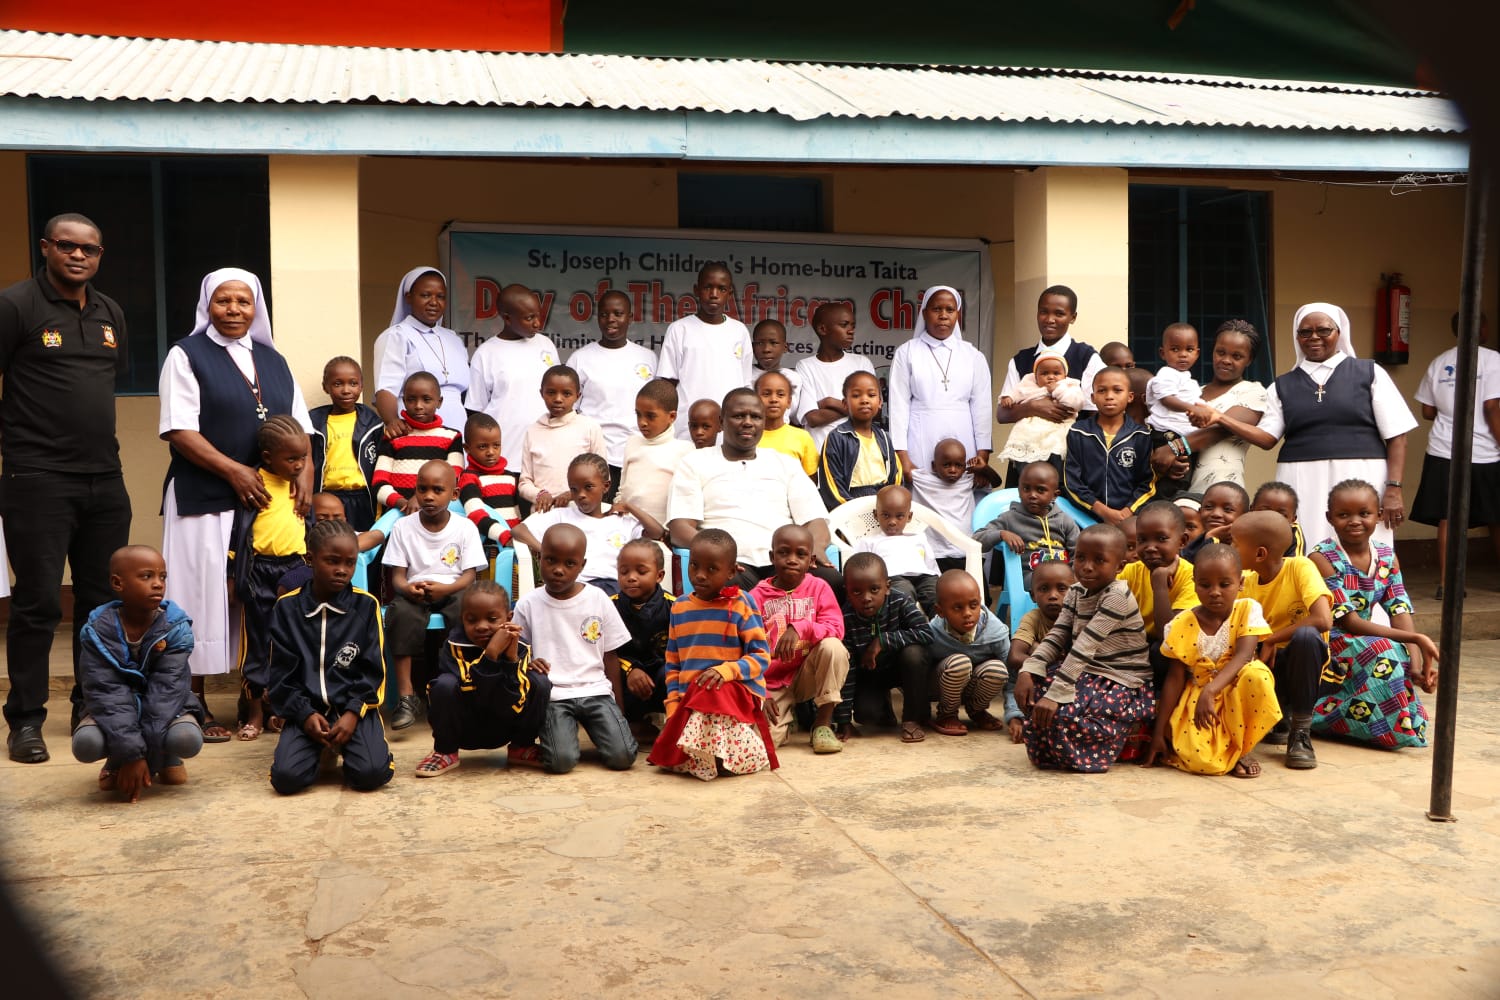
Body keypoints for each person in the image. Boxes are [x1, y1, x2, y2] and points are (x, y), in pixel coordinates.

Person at [0, 212, 133, 763]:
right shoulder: (16, 306)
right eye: (67, 246)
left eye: (90, 249)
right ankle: (26, 721)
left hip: (105, 477)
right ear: (46, 247)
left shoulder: (110, 314)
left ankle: (91, 704)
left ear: (99, 256)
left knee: (102, 600)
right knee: (36, 604)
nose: (79, 255)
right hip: (36, 480)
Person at [158, 267, 312, 744]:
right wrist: (234, 471)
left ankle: (256, 697)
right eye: (223, 301)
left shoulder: (274, 359)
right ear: (208, 304)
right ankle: (192, 700)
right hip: (207, 498)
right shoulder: (187, 355)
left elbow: (302, 427)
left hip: (266, 504)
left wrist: (305, 474)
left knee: (261, 604)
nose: (233, 310)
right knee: (200, 597)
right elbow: (179, 430)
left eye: (243, 302)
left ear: (256, 307)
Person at [1206, 303, 1417, 549]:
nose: (1314, 337)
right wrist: (1221, 418)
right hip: (1301, 479)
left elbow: (1397, 437)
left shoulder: (1369, 373)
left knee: (1366, 546)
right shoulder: (1282, 385)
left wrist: (1394, 488)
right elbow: (1267, 438)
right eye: (1305, 332)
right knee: (1306, 545)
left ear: (1339, 333)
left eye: (1324, 330)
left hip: (1364, 475)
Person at [1308, 479, 1439, 748]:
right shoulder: (1322, 558)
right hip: (1329, 639)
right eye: (1344, 515)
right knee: (1386, 650)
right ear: (1329, 518)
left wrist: (1415, 666)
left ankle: (1377, 727)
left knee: (1396, 650)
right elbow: (1349, 621)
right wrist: (1417, 639)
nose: (1354, 521)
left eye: (1364, 513)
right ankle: (1331, 720)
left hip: (1362, 638)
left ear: (1379, 515)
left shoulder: (1387, 557)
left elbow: (1399, 610)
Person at [1014, 523, 1154, 772]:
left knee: (1066, 713)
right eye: (1080, 558)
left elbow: (1085, 645)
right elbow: (1058, 634)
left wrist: (1056, 694)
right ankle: (1050, 755)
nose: (1087, 567)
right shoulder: (1076, 591)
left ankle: (1096, 753)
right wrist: (1029, 669)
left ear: (1119, 566)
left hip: (1120, 678)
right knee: (1035, 693)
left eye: (1099, 560)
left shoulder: (1116, 597)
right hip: (1088, 671)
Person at [267, 519, 393, 795]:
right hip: (307, 711)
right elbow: (280, 675)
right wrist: (303, 713)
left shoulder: (365, 605)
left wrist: (352, 712)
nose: (342, 570)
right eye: (332, 561)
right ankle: (319, 749)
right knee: (286, 780)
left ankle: (352, 745)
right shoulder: (287, 608)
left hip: (352, 710)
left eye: (349, 563)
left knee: (371, 774)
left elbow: (374, 671)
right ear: (309, 559)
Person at [667, 388, 835, 592]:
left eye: (755, 417)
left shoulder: (785, 463)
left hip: (785, 562)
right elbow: (679, 528)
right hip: (733, 565)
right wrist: (719, 554)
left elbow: (815, 520)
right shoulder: (695, 462)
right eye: (739, 416)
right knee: (726, 586)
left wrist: (814, 549)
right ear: (721, 421)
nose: (748, 422)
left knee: (833, 581)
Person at [72, 545, 201, 801]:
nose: (157, 584)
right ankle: (117, 758)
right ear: (118, 583)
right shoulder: (96, 632)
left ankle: (165, 757)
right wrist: (131, 755)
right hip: (114, 708)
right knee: (85, 744)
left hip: (166, 707)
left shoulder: (175, 628)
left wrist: (144, 760)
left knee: (187, 739)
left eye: (162, 577)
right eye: (146, 576)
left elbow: (165, 694)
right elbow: (107, 694)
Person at [1142, 543, 1281, 778]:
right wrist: (1158, 732)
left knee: (1257, 674)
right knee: (1203, 762)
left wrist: (1212, 689)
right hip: (1198, 699)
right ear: (1194, 585)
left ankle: (1242, 751)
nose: (1215, 591)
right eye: (1205, 585)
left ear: (1241, 584)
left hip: (1236, 689)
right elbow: (1175, 679)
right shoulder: (1182, 623)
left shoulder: (1247, 609)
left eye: (1224, 584)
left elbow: (1244, 655)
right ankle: (1225, 754)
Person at [649, 528, 777, 779]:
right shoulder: (680, 607)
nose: (700, 575)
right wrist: (674, 704)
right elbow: (673, 663)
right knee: (672, 756)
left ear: (731, 572)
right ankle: (709, 756)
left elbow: (761, 656)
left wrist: (726, 670)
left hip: (734, 692)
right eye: (694, 565)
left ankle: (726, 755)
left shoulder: (742, 603)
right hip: (691, 698)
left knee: (712, 688)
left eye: (711, 569)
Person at [515, 523, 637, 774]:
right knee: (561, 762)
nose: (558, 570)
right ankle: (561, 738)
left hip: (596, 690)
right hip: (554, 695)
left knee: (623, 757)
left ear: (582, 565)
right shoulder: (528, 604)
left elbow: (610, 655)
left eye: (569, 564)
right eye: (551, 560)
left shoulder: (598, 599)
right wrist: (527, 664)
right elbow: (516, 653)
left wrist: (619, 711)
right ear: (540, 558)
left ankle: (603, 730)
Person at [382, 461, 486, 730]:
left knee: (466, 610)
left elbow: (469, 577)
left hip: (454, 589)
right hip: (415, 591)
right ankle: (406, 696)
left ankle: (465, 688)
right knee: (400, 613)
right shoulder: (404, 527)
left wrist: (445, 589)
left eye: (437, 490)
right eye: (422, 489)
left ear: (454, 494)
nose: (428, 496)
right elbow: (398, 577)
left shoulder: (465, 528)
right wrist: (408, 589)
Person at [414, 580, 552, 777]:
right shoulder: (454, 646)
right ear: (462, 619)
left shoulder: (520, 646)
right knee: (444, 684)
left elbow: (516, 703)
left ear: (509, 617)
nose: (481, 626)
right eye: (471, 620)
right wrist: (491, 655)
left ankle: (522, 747)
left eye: (492, 618)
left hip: (504, 723)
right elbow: (472, 691)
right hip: (466, 728)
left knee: (539, 681)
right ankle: (445, 751)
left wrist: (512, 660)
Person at [1229, 511, 1333, 770]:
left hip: (1303, 668)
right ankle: (1275, 718)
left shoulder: (1300, 567)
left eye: (1234, 543)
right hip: (1265, 668)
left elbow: (1322, 619)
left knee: (1307, 637)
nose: (1229, 549)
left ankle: (1300, 734)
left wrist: (1272, 639)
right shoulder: (1245, 581)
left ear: (1260, 553)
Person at [229, 416, 311, 741]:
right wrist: (233, 576)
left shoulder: (300, 485)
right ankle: (254, 713)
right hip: (258, 571)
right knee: (257, 646)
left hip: (295, 570)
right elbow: (237, 534)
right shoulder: (254, 483)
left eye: (303, 457)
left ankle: (281, 707)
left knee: (289, 643)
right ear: (268, 458)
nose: (299, 464)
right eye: (292, 459)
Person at [1412, 311, 1500, 598]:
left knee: (1448, 518)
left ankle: (1447, 583)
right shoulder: (1492, 360)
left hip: (1443, 449)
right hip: (1485, 451)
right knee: (1496, 516)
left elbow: (1427, 410)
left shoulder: (1439, 362)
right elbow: (1491, 407)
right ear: (1483, 327)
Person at [750, 524, 849, 753]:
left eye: (800, 554)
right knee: (763, 745)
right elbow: (746, 648)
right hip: (772, 682)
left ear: (811, 560)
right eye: (784, 553)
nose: (792, 560)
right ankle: (788, 719)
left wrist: (801, 627)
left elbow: (836, 628)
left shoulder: (819, 588)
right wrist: (760, 693)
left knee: (833, 647)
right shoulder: (756, 597)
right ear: (772, 557)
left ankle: (822, 724)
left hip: (809, 673)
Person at [996, 285, 1105, 487]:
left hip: (1069, 461)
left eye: (1059, 314)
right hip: (1026, 459)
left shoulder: (1087, 357)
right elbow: (1002, 415)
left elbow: (1094, 414)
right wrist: (1031, 407)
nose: (1050, 319)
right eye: (1043, 312)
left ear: (1073, 317)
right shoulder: (1021, 360)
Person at [512, 453, 664, 594]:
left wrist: (630, 507)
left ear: (606, 486)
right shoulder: (561, 516)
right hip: (578, 587)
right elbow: (519, 530)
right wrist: (545, 550)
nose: (581, 495)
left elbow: (657, 533)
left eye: (588, 487)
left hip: (617, 588)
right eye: (574, 489)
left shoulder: (621, 520)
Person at [889, 285, 991, 479]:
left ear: (957, 315)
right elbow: (898, 407)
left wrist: (983, 455)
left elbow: (982, 409)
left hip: (965, 441)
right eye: (937, 309)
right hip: (920, 441)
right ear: (925, 313)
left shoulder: (973, 356)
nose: (943, 315)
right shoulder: (907, 352)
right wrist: (903, 457)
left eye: (950, 310)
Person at [1156, 320, 1269, 495]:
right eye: (1220, 352)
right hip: (1182, 489)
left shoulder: (1253, 391)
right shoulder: (1193, 393)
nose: (1226, 360)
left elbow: (1218, 430)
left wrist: (1173, 448)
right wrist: (1174, 462)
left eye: (1237, 356)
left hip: (1222, 490)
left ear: (1249, 360)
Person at [838, 552, 935, 744]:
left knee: (914, 653)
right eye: (857, 592)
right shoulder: (845, 617)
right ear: (847, 592)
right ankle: (883, 708)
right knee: (867, 716)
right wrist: (843, 720)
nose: (866, 598)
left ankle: (912, 719)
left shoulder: (900, 602)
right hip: (870, 673)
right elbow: (847, 669)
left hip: (903, 668)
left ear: (887, 587)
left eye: (874, 589)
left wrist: (883, 641)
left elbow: (926, 633)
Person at [571, 289, 657, 495]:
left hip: (638, 456)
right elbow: (569, 412)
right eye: (604, 314)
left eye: (618, 314)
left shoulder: (648, 358)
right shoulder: (580, 359)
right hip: (594, 459)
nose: (611, 319)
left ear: (630, 318)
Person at [466, 284, 561, 469]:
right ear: (508, 318)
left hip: (545, 456)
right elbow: (475, 412)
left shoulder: (546, 345)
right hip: (505, 458)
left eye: (538, 316)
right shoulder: (486, 353)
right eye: (529, 318)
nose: (537, 324)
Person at [657, 262, 753, 440]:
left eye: (721, 289)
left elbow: (744, 384)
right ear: (696, 290)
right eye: (708, 287)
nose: (714, 294)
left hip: (729, 429)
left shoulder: (739, 331)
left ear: (730, 293)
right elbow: (667, 384)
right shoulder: (680, 329)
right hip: (689, 429)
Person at [373, 267, 469, 434]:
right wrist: (393, 421)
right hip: (415, 427)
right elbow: (385, 388)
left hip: (457, 427)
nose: (434, 302)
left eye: (440, 297)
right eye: (425, 295)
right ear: (409, 297)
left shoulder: (453, 338)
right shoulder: (397, 336)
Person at [1118, 500, 1197, 694]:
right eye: (1142, 540)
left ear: (1183, 541)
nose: (1150, 547)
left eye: (1161, 539)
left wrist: (1159, 585)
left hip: (1169, 648)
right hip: (1134, 643)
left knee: (1160, 652)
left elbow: (1170, 636)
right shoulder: (1131, 571)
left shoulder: (1192, 577)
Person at [1063, 367, 1157, 525]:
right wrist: (1101, 510)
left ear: (1130, 396)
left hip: (1127, 519)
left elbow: (1147, 483)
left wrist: (1127, 512)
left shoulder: (1141, 436)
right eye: (1101, 391)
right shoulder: (1078, 432)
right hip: (1084, 518)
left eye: (1117, 390)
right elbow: (1072, 482)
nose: (1109, 396)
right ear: (1092, 397)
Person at [926, 570, 1011, 735]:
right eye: (957, 608)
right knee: (959, 663)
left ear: (980, 602)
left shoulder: (996, 632)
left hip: (973, 687)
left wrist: (1015, 714)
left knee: (998, 669)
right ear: (940, 611)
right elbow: (919, 669)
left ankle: (976, 710)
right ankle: (947, 714)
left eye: (974, 605)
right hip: (942, 687)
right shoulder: (932, 633)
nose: (967, 614)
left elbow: (1013, 675)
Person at [973, 460, 1078, 594]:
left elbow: (1078, 553)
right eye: (1026, 489)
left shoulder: (1065, 521)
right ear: (1019, 490)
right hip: (1030, 579)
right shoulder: (1010, 518)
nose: (1032, 495)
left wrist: (1074, 576)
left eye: (1040, 490)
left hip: (1064, 579)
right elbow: (976, 539)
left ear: (1055, 495)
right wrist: (1001, 534)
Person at [371, 371, 464, 514]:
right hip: (398, 511)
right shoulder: (393, 436)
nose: (418, 406)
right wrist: (402, 503)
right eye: (411, 399)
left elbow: (454, 478)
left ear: (439, 402)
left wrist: (419, 499)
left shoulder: (452, 437)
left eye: (426, 399)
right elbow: (379, 482)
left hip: (438, 514)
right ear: (403, 401)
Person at [517, 365, 607, 512]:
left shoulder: (589, 427)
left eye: (566, 394)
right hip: (543, 512)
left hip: (580, 511)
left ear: (578, 396)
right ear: (542, 393)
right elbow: (524, 482)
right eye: (551, 393)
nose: (558, 399)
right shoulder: (533, 431)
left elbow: (602, 476)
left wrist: (573, 494)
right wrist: (539, 494)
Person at [1005, 560, 1076, 743]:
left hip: (1069, 679)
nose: (1053, 596)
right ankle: (1017, 718)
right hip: (1041, 678)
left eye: (1062, 588)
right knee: (1019, 678)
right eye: (1044, 589)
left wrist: (1037, 650)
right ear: (1033, 595)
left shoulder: (1081, 618)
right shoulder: (1033, 618)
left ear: (1076, 591)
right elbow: (1014, 656)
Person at [613, 540, 676, 742]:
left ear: (659, 575)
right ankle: (631, 722)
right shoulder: (609, 606)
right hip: (626, 674)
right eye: (624, 572)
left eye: (641, 572)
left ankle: (675, 722)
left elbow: (682, 651)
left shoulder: (674, 607)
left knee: (673, 674)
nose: (631, 578)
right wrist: (631, 669)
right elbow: (607, 653)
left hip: (661, 674)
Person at [309, 356, 381, 531]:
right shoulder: (313, 422)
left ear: (362, 386)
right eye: (338, 384)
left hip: (362, 498)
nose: (346, 390)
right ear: (325, 387)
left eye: (353, 383)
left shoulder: (372, 422)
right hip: (327, 497)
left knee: (362, 547)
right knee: (327, 543)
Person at [794, 302, 875, 450]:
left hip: (858, 451)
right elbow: (813, 418)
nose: (851, 330)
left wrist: (830, 402)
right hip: (820, 453)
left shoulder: (862, 363)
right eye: (844, 325)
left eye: (853, 325)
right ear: (822, 329)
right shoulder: (805, 366)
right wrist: (854, 409)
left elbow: (873, 410)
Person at [910, 437, 996, 573]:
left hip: (966, 550)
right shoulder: (922, 480)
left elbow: (996, 482)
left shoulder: (968, 479)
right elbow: (905, 470)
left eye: (959, 465)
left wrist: (984, 467)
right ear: (934, 465)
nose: (953, 470)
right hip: (936, 553)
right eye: (946, 465)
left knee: (977, 591)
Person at [996, 350, 1088, 475]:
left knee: (1057, 464)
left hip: (1057, 431)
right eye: (1044, 373)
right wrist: (1008, 398)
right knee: (1028, 466)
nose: (1051, 377)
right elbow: (1017, 392)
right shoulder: (1029, 384)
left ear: (1065, 376)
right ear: (1036, 376)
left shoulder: (1069, 386)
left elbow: (1077, 403)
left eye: (1056, 373)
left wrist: (1058, 390)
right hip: (1030, 432)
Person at [617, 379, 694, 528]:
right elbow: (623, 489)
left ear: (672, 417)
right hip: (625, 527)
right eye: (638, 415)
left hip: (660, 531)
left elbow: (685, 501)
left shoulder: (685, 450)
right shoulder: (632, 442)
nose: (642, 422)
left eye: (650, 416)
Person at [853, 484, 940, 615]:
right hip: (892, 579)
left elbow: (931, 565)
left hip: (923, 577)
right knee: (903, 592)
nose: (892, 522)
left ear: (909, 517)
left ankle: (940, 628)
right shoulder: (869, 542)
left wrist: (939, 579)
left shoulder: (919, 538)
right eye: (886, 515)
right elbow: (859, 568)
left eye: (899, 516)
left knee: (935, 593)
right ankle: (909, 629)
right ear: (876, 515)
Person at [818, 370, 900, 508]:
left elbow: (895, 477)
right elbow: (832, 485)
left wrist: (889, 505)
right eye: (856, 395)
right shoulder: (837, 438)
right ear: (845, 403)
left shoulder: (884, 437)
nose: (864, 400)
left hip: (884, 506)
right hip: (850, 505)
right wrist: (852, 510)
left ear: (880, 402)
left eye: (871, 395)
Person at [457, 412, 520, 551]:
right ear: (467, 448)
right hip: (488, 548)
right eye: (482, 446)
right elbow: (475, 514)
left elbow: (518, 513)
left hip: (515, 545)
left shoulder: (510, 477)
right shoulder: (469, 478)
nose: (491, 452)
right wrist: (504, 536)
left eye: (496, 445)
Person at [1145, 322, 1213, 441]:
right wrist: (1193, 409)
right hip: (1167, 432)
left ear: (1197, 354)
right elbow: (1167, 399)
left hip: (1182, 431)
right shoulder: (1166, 374)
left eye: (1189, 349)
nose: (1183, 355)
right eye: (1175, 349)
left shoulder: (1186, 378)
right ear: (1162, 353)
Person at [756, 370, 818, 476]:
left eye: (780, 395)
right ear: (755, 400)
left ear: (789, 402)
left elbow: (810, 482)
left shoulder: (802, 438)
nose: (773, 399)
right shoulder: (747, 436)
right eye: (766, 394)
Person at [750, 318, 802, 424]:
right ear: (752, 347)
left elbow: (795, 416)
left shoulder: (793, 378)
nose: (766, 349)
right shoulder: (743, 374)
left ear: (785, 347)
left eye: (773, 343)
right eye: (760, 343)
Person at [1185, 480, 1248, 563]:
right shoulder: (1191, 548)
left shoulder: (1248, 551)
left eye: (1227, 509)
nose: (1216, 514)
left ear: (1244, 516)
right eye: (1208, 507)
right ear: (1200, 512)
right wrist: (1210, 539)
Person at [1251, 481, 1307, 557]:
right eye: (1265, 511)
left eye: (1282, 515)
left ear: (1293, 520)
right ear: (1252, 510)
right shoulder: (1242, 528)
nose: (1272, 519)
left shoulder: (1294, 534)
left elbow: (1294, 564)